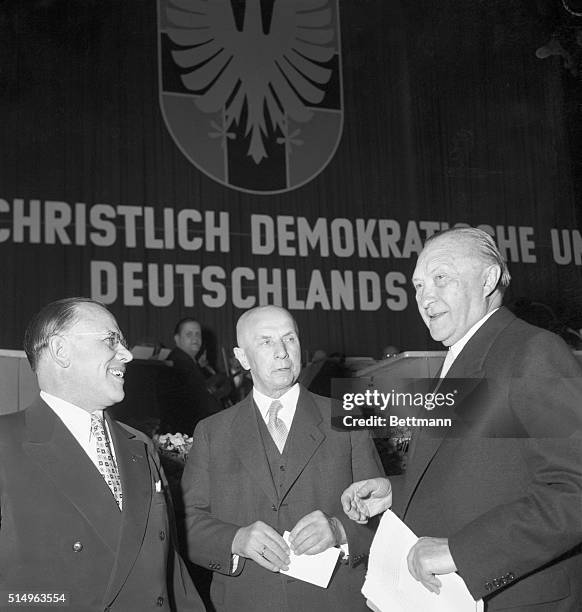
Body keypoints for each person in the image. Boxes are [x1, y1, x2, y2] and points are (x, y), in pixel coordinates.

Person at [342, 228, 582, 611]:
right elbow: (482, 473)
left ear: (488, 279)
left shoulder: (532, 351)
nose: (425, 297)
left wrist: (460, 552)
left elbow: (575, 490)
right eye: (418, 285)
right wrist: (395, 491)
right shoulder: (460, 360)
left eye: (441, 278)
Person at [0, 297, 204, 612]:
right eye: (111, 340)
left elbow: (171, 571)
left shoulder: (139, 445)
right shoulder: (5, 444)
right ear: (60, 350)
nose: (126, 354)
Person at [181, 305, 385, 612]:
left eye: (289, 339)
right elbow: (187, 524)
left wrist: (340, 529)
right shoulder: (212, 432)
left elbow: (384, 513)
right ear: (242, 357)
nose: (282, 352)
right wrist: (235, 540)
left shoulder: (346, 417)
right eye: (266, 341)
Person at [159, 317, 222, 434]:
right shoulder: (178, 364)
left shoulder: (190, 363)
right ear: (177, 339)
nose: (195, 338)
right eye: (189, 334)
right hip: (184, 434)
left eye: (198, 334)